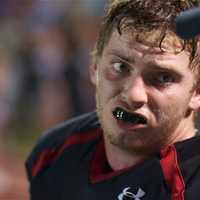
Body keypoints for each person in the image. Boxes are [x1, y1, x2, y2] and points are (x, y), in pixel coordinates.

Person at [26, 0, 200, 199]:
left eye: (163, 77)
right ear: (94, 67)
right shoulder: (52, 155)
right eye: (119, 67)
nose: (133, 95)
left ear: (197, 92)